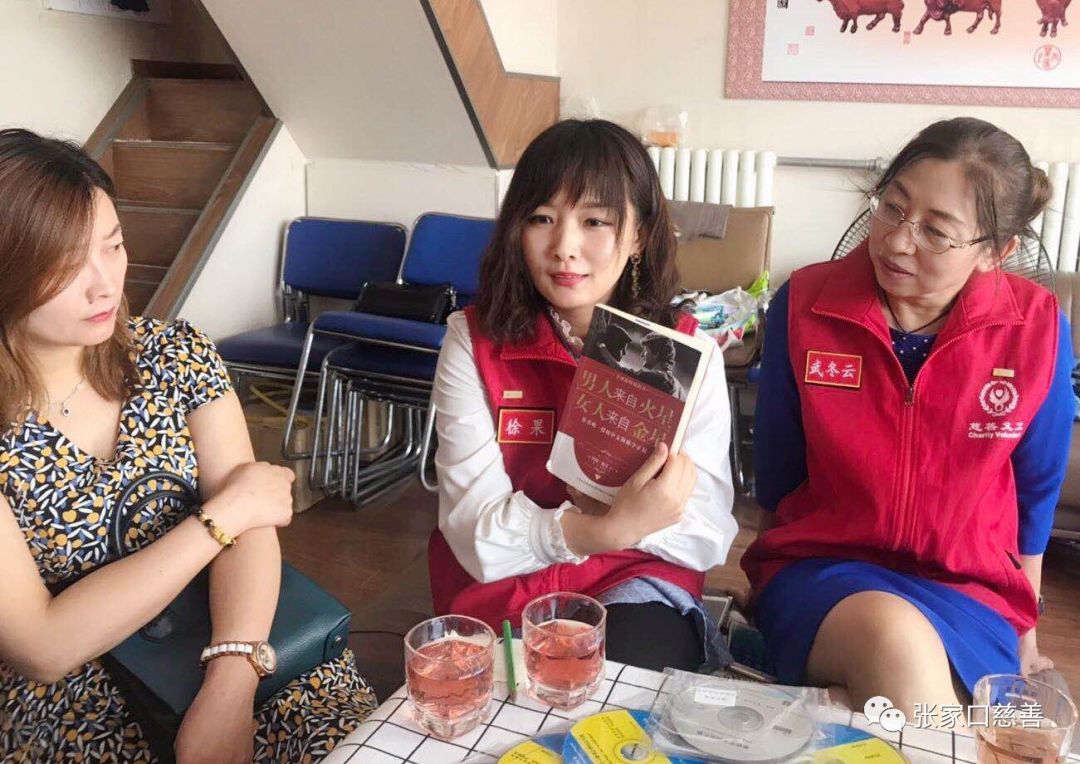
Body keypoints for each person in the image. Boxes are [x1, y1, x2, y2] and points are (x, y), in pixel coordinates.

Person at [0, 129, 376, 762]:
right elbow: (44, 646)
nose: (104, 285)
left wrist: (231, 682)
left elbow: (255, 532)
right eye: (64, 266)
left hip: (237, 639)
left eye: (113, 245)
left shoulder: (173, 353)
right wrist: (222, 517)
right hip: (80, 705)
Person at [742, 118, 1073, 717]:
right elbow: (777, 471)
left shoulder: (1038, 329)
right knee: (894, 641)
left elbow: (1035, 493)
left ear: (996, 251)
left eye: (937, 232)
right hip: (821, 572)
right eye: (892, 208)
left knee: (880, 706)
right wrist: (762, 584)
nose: (897, 241)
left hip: (970, 591)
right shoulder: (807, 305)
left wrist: (1025, 631)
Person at [428, 119, 738, 672]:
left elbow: (704, 532)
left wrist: (618, 529)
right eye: (541, 218)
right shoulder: (472, 341)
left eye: (595, 221)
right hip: (503, 594)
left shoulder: (688, 354)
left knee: (617, 698)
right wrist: (608, 527)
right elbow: (474, 532)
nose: (564, 248)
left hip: (634, 581)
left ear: (639, 235)